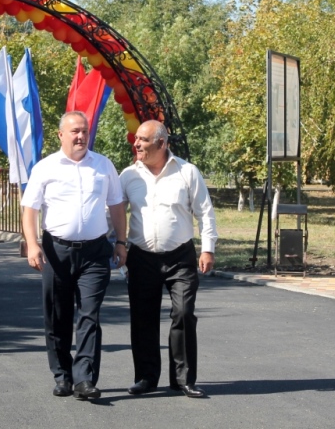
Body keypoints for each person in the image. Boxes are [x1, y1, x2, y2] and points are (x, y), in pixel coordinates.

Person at [21, 111, 127, 400]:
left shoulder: (103, 165)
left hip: (94, 253)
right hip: (56, 252)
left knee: (89, 315)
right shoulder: (45, 167)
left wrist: (121, 242)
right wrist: (32, 244)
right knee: (58, 317)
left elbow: (116, 205)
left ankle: (84, 379)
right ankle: (62, 375)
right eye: (75, 132)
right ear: (61, 135)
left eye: (84, 131)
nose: (81, 136)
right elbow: (29, 209)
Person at [119, 120, 218, 398]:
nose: (136, 144)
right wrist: (116, 244)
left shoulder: (187, 172)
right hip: (141, 257)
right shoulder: (128, 176)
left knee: (184, 313)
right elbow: (112, 213)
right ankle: (146, 378)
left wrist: (207, 248)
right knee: (143, 318)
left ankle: (183, 379)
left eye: (143, 140)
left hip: (180, 258)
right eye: (136, 139)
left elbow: (205, 212)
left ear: (161, 144)